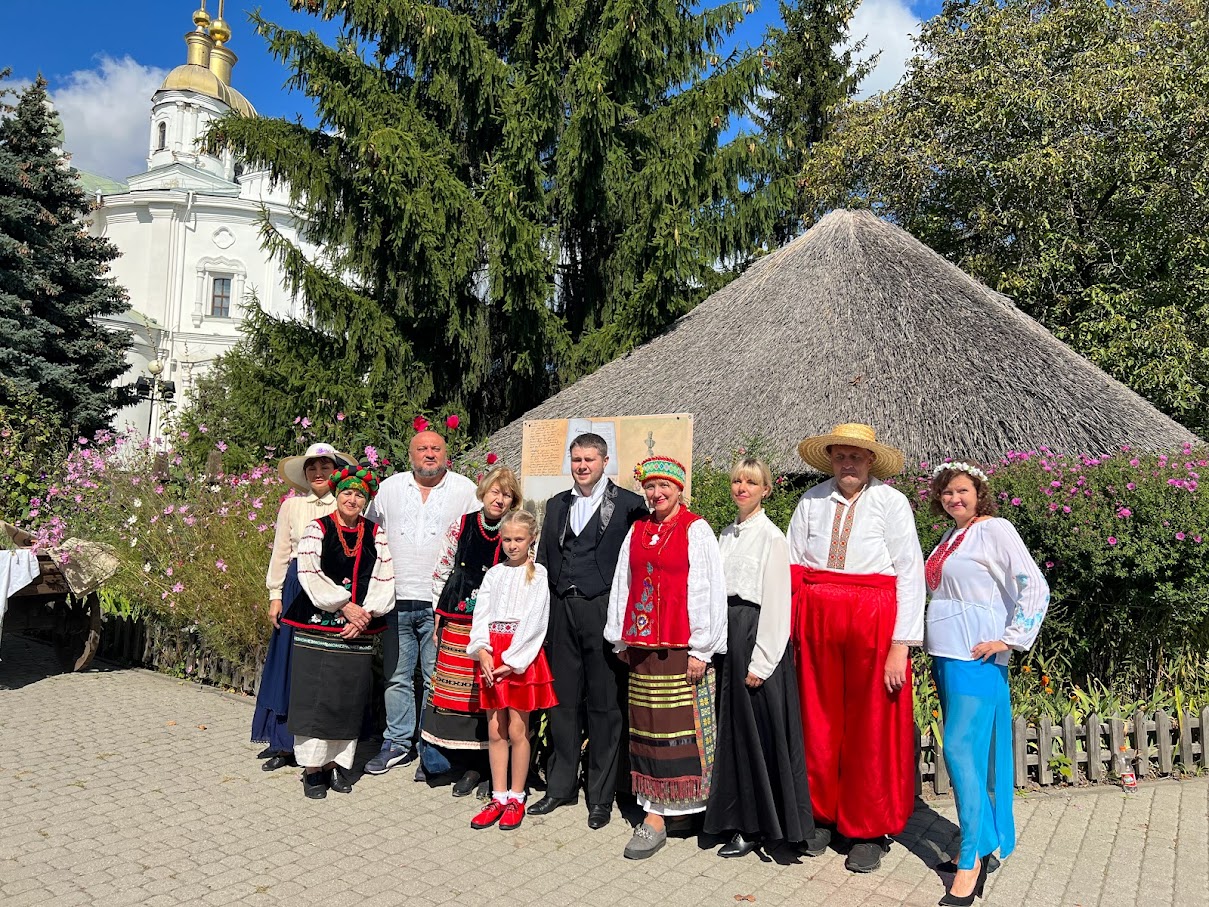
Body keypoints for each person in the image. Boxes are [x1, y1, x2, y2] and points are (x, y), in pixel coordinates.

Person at [787, 423, 925, 873]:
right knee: (818, 720)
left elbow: (910, 574)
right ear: (831, 460)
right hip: (818, 621)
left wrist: (900, 645)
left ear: (870, 462)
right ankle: (822, 815)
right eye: (841, 456)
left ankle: (868, 829)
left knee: (870, 726)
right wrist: (790, 631)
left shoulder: (891, 502)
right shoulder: (810, 501)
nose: (848, 464)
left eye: (857, 457)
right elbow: (792, 565)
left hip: (873, 624)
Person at [926, 462, 1049, 906]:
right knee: (969, 755)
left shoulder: (995, 529)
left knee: (959, 751)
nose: (953, 498)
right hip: (946, 655)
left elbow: (1033, 584)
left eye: (961, 491)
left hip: (976, 657)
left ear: (978, 493)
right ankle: (981, 840)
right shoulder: (948, 538)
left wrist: (1011, 638)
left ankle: (971, 860)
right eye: (946, 492)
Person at [604, 456, 727, 860]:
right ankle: (657, 811)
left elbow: (709, 589)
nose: (656, 495)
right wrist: (619, 639)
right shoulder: (637, 530)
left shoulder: (697, 529)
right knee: (649, 728)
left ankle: (686, 809)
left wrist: (702, 648)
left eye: (665, 487)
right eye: (651, 488)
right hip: (641, 649)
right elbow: (624, 581)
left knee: (683, 729)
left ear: (679, 490)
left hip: (681, 649)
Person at [531, 432, 647, 829]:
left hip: (604, 610)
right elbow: (545, 563)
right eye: (576, 459)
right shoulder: (556, 505)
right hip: (563, 608)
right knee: (561, 703)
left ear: (604, 461)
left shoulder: (631, 506)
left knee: (604, 707)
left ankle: (600, 796)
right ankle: (560, 787)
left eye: (590, 460)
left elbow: (637, 567)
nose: (582, 466)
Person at [703, 458, 813, 858]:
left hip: (755, 638)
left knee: (756, 736)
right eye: (736, 480)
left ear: (766, 489)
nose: (742, 487)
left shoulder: (771, 537)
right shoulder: (726, 534)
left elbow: (778, 605)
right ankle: (735, 818)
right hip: (728, 636)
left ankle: (759, 827)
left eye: (751, 481)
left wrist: (763, 661)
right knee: (731, 733)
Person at [363, 430, 479, 775]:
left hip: (439, 605)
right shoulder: (390, 488)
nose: (429, 454)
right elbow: (370, 537)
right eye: (422, 448)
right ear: (410, 454)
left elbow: (476, 541)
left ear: (446, 453)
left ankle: (432, 746)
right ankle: (398, 743)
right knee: (396, 677)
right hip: (396, 599)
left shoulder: (465, 491)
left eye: (436, 448)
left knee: (435, 678)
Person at [284, 465, 395, 799]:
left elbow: (384, 576)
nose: (352, 499)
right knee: (315, 697)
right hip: (318, 624)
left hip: (357, 627)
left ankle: (336, 766)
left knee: (347, 697)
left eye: (359, 494)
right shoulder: (316, 529)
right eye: (347, 492)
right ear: (338, 495)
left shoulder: (376, 533)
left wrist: (366, 614)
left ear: (365, 499)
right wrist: (343, 605)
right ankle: (312, 769)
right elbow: (309, 571)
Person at [418, 465, 522, 794]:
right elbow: (444, 566)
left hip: (494, 622)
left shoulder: (514, 531)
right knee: (455, 691)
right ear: (484, 492)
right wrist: (438, 610)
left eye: (506, 494)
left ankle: (486, 768)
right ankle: (460, 763)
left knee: (486, 692)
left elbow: (523, 574)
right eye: (495, 491)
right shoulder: (462, 525)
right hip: (458, 615)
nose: (499, 498)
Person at [252, 442, 353, 772]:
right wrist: (275, 594)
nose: (319, 473)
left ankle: (323, 748)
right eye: (312, 467)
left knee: (324, 666)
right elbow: (281, 552)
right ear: (305, 473)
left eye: (325, 466)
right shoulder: (292, 507)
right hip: (297, 587)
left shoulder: (349, 505)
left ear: (336, 470)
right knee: (288, 663)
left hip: (334, 588)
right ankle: (283, 743)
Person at [466, 510, 558, 830]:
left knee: (518, 730)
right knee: (495, 730)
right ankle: (499, 795)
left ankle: (517, 797)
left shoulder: (539, 573)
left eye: (519, 539)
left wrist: (513, 661)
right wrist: (482, 650)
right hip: (493, 655)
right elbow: (482, 615)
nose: (512, 545)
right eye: (506, 539)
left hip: (520, 659)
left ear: (531, 538)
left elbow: (536, 622)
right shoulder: (493, 574)